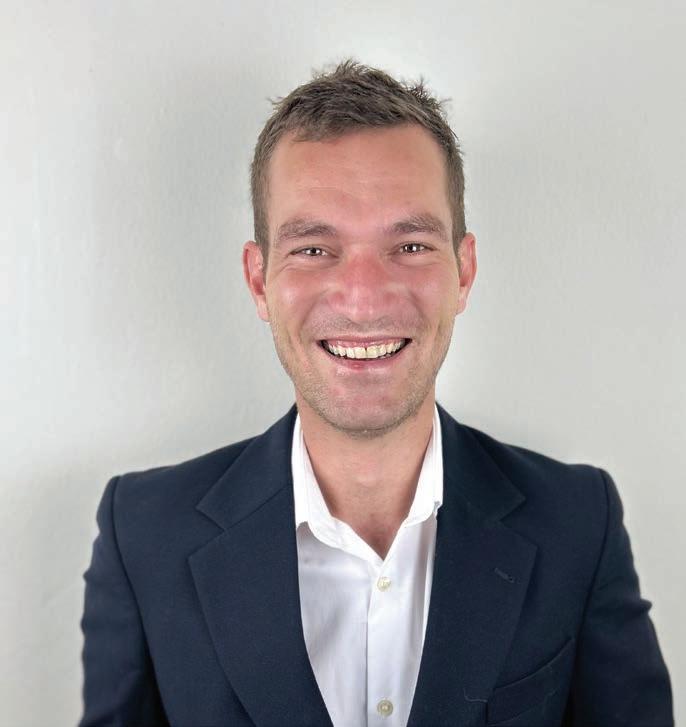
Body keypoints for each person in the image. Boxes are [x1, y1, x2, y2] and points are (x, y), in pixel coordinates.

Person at [79, 60, 673, 727]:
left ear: (464, 271)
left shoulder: (578, 523)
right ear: (258, 281)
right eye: (313, 249)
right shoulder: (143, 536)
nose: (363, 301)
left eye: (410, 245)